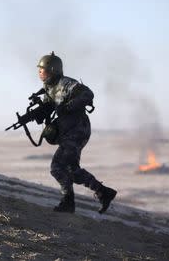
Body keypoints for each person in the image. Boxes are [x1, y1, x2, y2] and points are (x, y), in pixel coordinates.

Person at [35, 51, 117, 213]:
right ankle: (103, 192)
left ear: (52, 69)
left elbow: (87, 94)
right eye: (38, 70)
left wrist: (67, 107)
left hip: (78, 129)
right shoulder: (48, 88)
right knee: (71, 168)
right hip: (69, 131)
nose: (39, 73)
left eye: (41, 70)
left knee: (57, 167)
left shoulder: (66, 83)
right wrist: (38, 114)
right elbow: (48, 107)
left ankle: (68, 202)